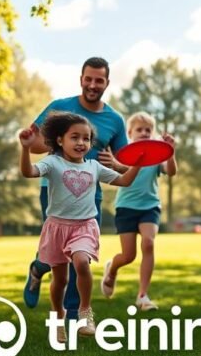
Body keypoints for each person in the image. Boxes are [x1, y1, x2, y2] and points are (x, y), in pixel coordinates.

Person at [19, 112, 142, 341]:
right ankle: (58, 315)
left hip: (84, 226)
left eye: (86, 139)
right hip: (57, 227)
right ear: (59, 140)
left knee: (81, 263)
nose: (81, 143)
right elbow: (28, 172)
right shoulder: (52, 162)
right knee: (61, 280)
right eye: (74, 137)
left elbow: (124, 180)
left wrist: (138, 164)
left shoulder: (94, 166)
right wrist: (26, 149)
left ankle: (85, 312)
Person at [21, 57, 128, 319]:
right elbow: (35, 144)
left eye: (98, 80)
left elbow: (125, 165)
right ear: (81, 79)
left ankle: (72, 315)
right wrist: (61, 148)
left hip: (91, 193)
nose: (93, 84)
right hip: (55, 188)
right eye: (88, 79)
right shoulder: (60, 108)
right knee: (54, 257)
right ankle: (38, 269)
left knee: (80, 259)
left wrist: (114, 162)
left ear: (107, 83)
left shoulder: (114, 120)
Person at [100, 112, 177, 311]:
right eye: (139, 130)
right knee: (128, 256)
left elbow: (171, 171)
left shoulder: (156, 156)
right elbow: (118, 170)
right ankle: (112, 269)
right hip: (125, 207)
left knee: (148, 243)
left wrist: (170, 152)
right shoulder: (124, 153)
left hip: (150, 206)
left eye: (148, 130)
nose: (144, 133)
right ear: (130, 133)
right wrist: (114, 163)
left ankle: (142, 296)